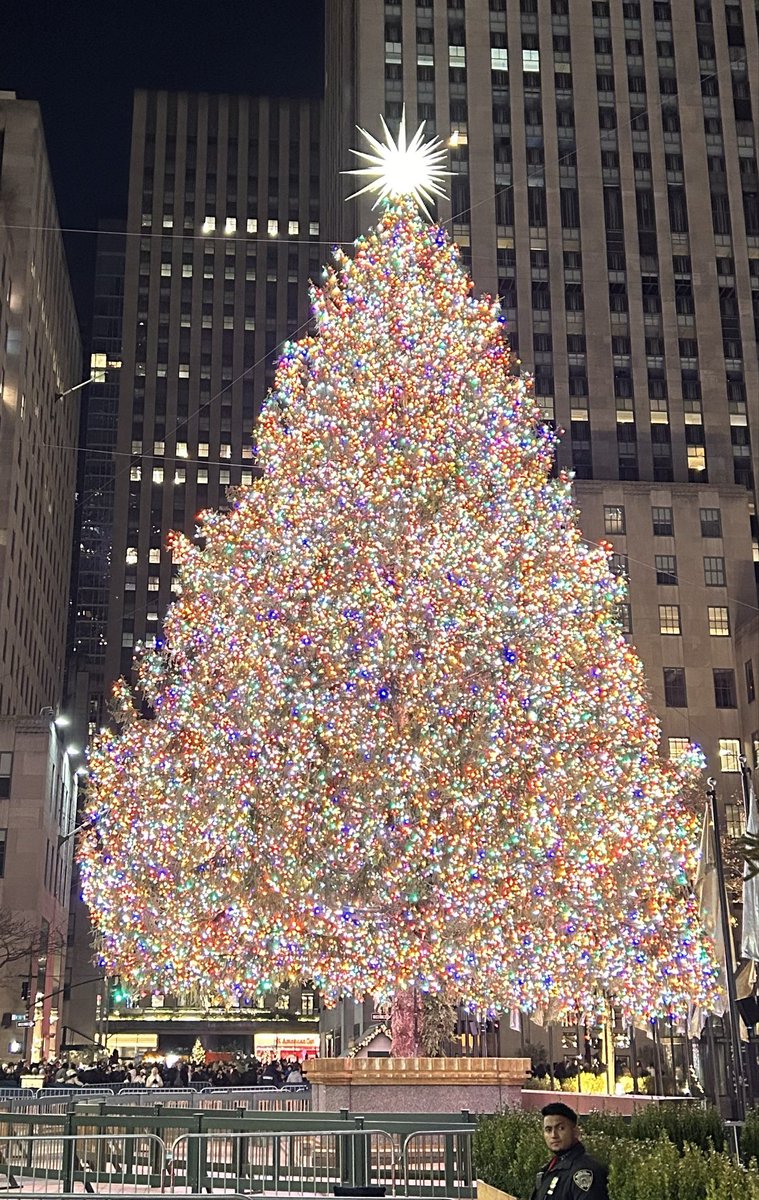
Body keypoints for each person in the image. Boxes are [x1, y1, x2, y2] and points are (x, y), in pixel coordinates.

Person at [530, 1102, 608, 1200]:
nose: (554, 1135)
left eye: (561, 1128)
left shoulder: (584, 1171)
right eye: (548, 1130)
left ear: (575, 1132)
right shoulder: (552, 1167)